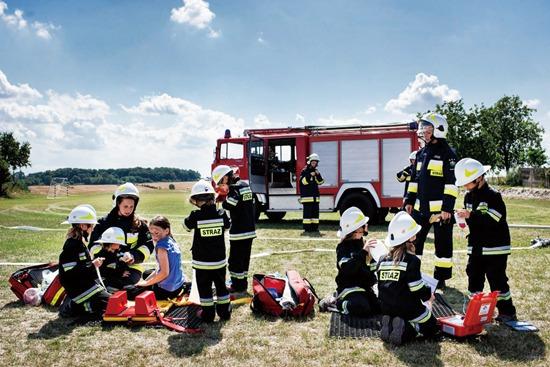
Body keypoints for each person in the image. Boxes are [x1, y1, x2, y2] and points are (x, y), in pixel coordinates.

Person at [454, 158, 517, 322]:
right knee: (473, 276)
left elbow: (494, 220)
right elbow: (472, 221)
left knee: (497, 279)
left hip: (495, 247)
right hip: (476, 246)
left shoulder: (493, 196)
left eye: (468, 182)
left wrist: (471, 215)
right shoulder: (468, 197)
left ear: (479, 178)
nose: (465, 186)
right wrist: (461, 218)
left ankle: (507, 312)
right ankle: (474, 312)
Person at [404, 113, 458, 290]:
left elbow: (451, 185)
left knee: (442, 245)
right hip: (420, 210)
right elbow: (414, 180)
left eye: (427, 129)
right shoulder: (420, 153)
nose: (423, 133)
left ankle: (440, 278)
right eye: (423, 129)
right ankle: (413, 273)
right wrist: (409, 200)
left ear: (439, 130)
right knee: (414, 242)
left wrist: (447, 208)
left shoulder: (448, 154)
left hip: (440, 212)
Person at [377, 211, 438, 345]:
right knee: (433, 327)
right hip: (407, 308)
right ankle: (408, 328)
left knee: (398, 312)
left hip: (386, 308)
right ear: (409, 238)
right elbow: (416, 288)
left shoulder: (382, 260)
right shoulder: (412, 260)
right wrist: (429, 295)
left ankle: (390, 323)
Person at [183, 180, 232, 322]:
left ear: (197, 201)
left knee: (204, 289)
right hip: (219, 261)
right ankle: (224, 313)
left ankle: (208, 315)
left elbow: (185, 226)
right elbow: (228, 227)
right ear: (213, 197)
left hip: (201, 262)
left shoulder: (195, 216)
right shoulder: (221, 214)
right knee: (221, 287)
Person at [89, 182, 154, 288]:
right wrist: (110, 256)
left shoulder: (140, 225)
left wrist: (133, 256)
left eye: (131, 206)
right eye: (125, 206)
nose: (128, 210)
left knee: (123, 287)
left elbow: (148, 246)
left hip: (131, 268)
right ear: (117, 203)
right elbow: (93, 246)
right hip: (106, 267)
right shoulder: (103, 223)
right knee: (99, 284)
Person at [321, 207, 380, 316]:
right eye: (363, 226)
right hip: (349, 289)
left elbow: (371, 268)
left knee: (379, 307)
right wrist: (363, 253)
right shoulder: (343, 248)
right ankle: (335, 303)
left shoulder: (364, 244)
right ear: (355, 230)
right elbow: (348, 269)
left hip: (365, 289)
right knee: (360, 307)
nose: (366, 227)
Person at [58, 204, 110, 319]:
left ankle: (77, 304)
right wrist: (93, 265)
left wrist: (92, 264)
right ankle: (73, 306)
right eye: (91, 226)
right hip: (79, 289)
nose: (93, 229)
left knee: (111, 300)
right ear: (83, 226)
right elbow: (71, 274)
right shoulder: (72, 245)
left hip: (85, 285)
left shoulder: (78, 243)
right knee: (107, 305)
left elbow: (82, 267)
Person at [212, 165, 256, 294]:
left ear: (226, 178)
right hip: (249, 230)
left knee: (235, 261)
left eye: (221, 183)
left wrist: (222, 199)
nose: (221, 186)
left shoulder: (234, 189)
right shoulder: (244, 185)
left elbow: (230, 204)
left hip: (239, 232)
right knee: (244, 260)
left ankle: (237, 286)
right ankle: (242, 284)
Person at [135, 216, 186, 300]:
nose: (154, 237)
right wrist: (146, 281)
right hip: (178, 286)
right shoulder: (171, 240)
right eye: (151, 233)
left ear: (166, 230)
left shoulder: (161, 247)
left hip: (167, 291)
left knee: (130, 290)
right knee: (147, 273)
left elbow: (164, 273)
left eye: (157, 233)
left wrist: (146, 283)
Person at [90, 226, 129, 292]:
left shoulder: (114, 252)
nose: (119, 246)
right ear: (110, 243)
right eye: (118, 243)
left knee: (130, 288)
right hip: (101, 282)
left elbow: (115, 266)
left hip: (113, 279)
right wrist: (120, 273)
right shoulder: (99, 254)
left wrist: (122, 264)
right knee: (117, 293)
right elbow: (103, 272)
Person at [299, 153, 324, 233]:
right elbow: (303, 182)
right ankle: (307, 229)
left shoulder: (316, 171)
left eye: (316, 162)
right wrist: (310, 175)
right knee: (307, 214)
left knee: (315, 214)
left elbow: (321, 182)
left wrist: (318, 174)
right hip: (307, 198)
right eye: (313, 162)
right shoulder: (305, 171)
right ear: (309, 162)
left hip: (315, 198)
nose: (314, 164)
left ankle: (315, 228)